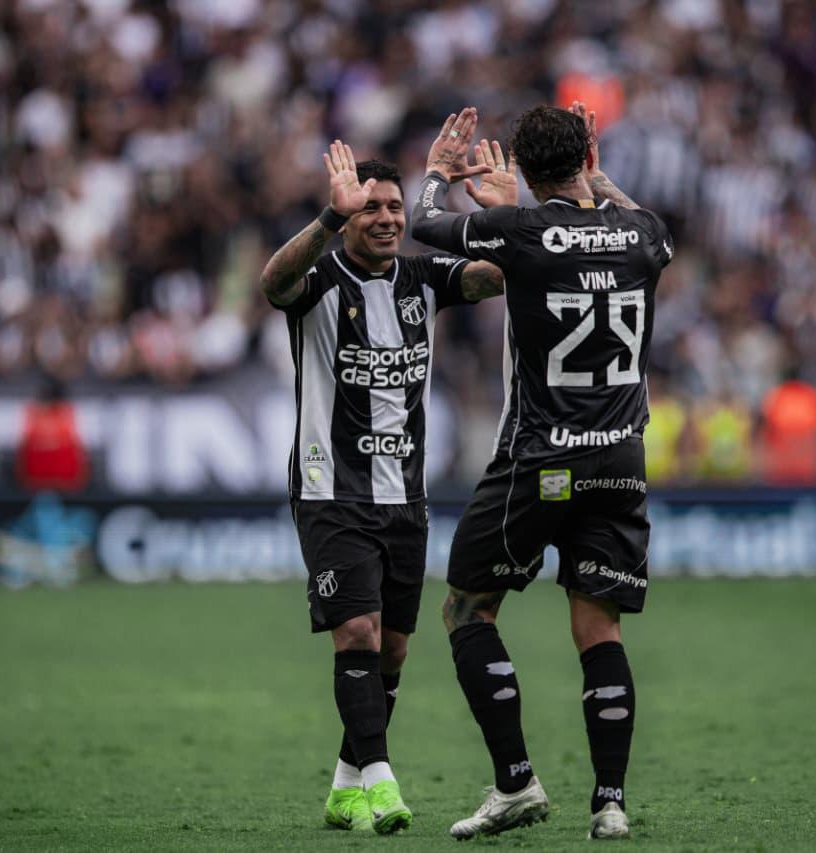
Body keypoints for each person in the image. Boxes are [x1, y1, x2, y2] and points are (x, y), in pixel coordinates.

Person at [410, 103, 673, 840]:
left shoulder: (521, 230)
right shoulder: (644, 232)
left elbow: (426, 224)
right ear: (590, 154)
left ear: (523, 172)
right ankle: (611, 801)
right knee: (599, 627)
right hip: (623, 459)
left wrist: (436, 172)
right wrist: (595, 171)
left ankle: (517, 783)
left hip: (542, 459)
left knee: (467, 606)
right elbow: (635, 222)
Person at [259, 141, 502, 834]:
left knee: (392, 648)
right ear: (348, 215)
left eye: (395, 206)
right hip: (329, 488)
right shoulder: (319, 280)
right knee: (357, 631)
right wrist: (324, 221)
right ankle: (383, 780)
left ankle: (344, 784)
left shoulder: (423, 280)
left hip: (407, 497)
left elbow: (497, 275)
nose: (388, 218)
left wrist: (506, 216)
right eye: (371, 208)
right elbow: (272, 284)